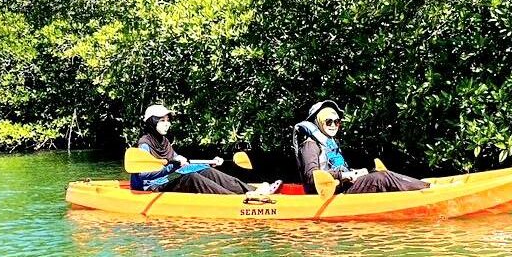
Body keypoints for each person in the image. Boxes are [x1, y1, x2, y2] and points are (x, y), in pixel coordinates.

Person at [133, 104, 280, 195]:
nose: (167, 124)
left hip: (168, 178)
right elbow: (143, 175)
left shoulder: (164, 141)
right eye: (162, 120)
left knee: (203, 169)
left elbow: (180, 162)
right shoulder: (144, 144)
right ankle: (234, 200)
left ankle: (252, 191)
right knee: (191, 176)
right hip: (153, 185)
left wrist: (209, 163)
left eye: (168, 120)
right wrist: (171, 166)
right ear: (152, 122)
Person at [295, 100, 429, 195]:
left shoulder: (330, 143)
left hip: (342, 187)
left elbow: (339, 169)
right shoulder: (310, 145)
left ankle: (424, 185)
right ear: (318, 122)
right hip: (329, 193)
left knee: (380, 173)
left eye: (336, 122)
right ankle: (425, 191)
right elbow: (311, 178)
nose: (333, 125)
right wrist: (344, 175)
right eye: (328, 121)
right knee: (381, 178)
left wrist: (354, 173)